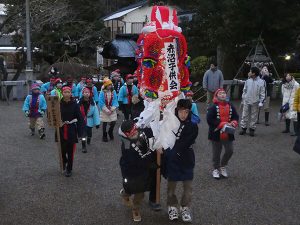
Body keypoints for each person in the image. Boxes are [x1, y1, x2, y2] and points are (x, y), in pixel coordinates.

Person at [164, 99, 198, 222]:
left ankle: (185, 207)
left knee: (188, 188)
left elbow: (186, 142)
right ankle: (172, 206)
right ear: (176, 110)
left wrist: (174, 150)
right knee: (171, 186)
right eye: (181, 111)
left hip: (187, 159)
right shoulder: (170, 122)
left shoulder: (193, 125)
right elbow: (165, 137)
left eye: (186, 112)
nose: (183, 114)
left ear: (189, 112)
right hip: (173, 159)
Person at [119, 120, 158, 222]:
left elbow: (150, 131)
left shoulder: (141, 134)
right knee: (131, 188)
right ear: (127, 134)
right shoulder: (127, 146)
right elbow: (136, 162)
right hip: (131, 172)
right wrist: (150, 162)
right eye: (131, 131)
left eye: (135, 128)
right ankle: (125, 194)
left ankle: (135, 208)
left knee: (140, 192)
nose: (135, 131)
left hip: (143, 171)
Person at [207, 89, 239, 179]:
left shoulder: (231, 105)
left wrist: (234, 122)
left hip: (228, 132)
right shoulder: (213, 107)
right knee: (216, 153)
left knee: (230, 150)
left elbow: (236, 116)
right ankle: (216, 169)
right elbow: (209, 119)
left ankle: (223, 165)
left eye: (224, 93)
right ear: (216, 96)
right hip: (216, 133)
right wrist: (221, 124)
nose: (222, 94)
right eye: (220, 93)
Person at [57, 86, 84, 177]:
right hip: (60, 128)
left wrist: (80, 132)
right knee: (62, 149)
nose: (67, 94)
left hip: (71, 129)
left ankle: (69, 168)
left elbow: (80, 118)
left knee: (70, 150)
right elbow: (53, 115)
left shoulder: (75, 104)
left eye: (68, 92)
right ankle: (64, 161)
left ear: (71, 93)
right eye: (65, 92)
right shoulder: (58, 104)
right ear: (62, 93)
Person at [239, 67, 265, 137]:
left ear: (253, 73)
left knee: (254, 116)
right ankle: (243, 128)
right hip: (247, 100)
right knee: (244, 115)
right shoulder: (248, 81)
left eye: (250, 71)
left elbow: (262, 93)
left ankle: (252, 129)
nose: (249, 73)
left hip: (255, 101)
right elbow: (244, 91)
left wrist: (261, 102)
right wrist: (243, 98)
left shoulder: (261, 82)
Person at [79, 87, 100, 153]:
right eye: (85, 92)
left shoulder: (92, 102)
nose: (87, 94)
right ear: (83, 93)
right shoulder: (79, 102)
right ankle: (83, 146)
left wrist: (97, 123)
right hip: (82, 121)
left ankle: (89, 138)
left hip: (89, 120)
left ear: (90, 94)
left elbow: (95, 113)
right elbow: (76, 112)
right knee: (83, 134)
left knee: (89, 133)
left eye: (88, 92)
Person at [98, 78, 119, 142]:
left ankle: (110, 131)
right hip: (104, 110)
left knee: (113, 122)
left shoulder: (113, 91)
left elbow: (115, 100)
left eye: (111, 84)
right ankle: (104, 135)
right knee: (105, 123)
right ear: (106, 85)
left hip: (112, 109)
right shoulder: (102, 92)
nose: (111, 86)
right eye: (109, 84)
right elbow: (101, 102)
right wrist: (106, 110)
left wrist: (112, 109)